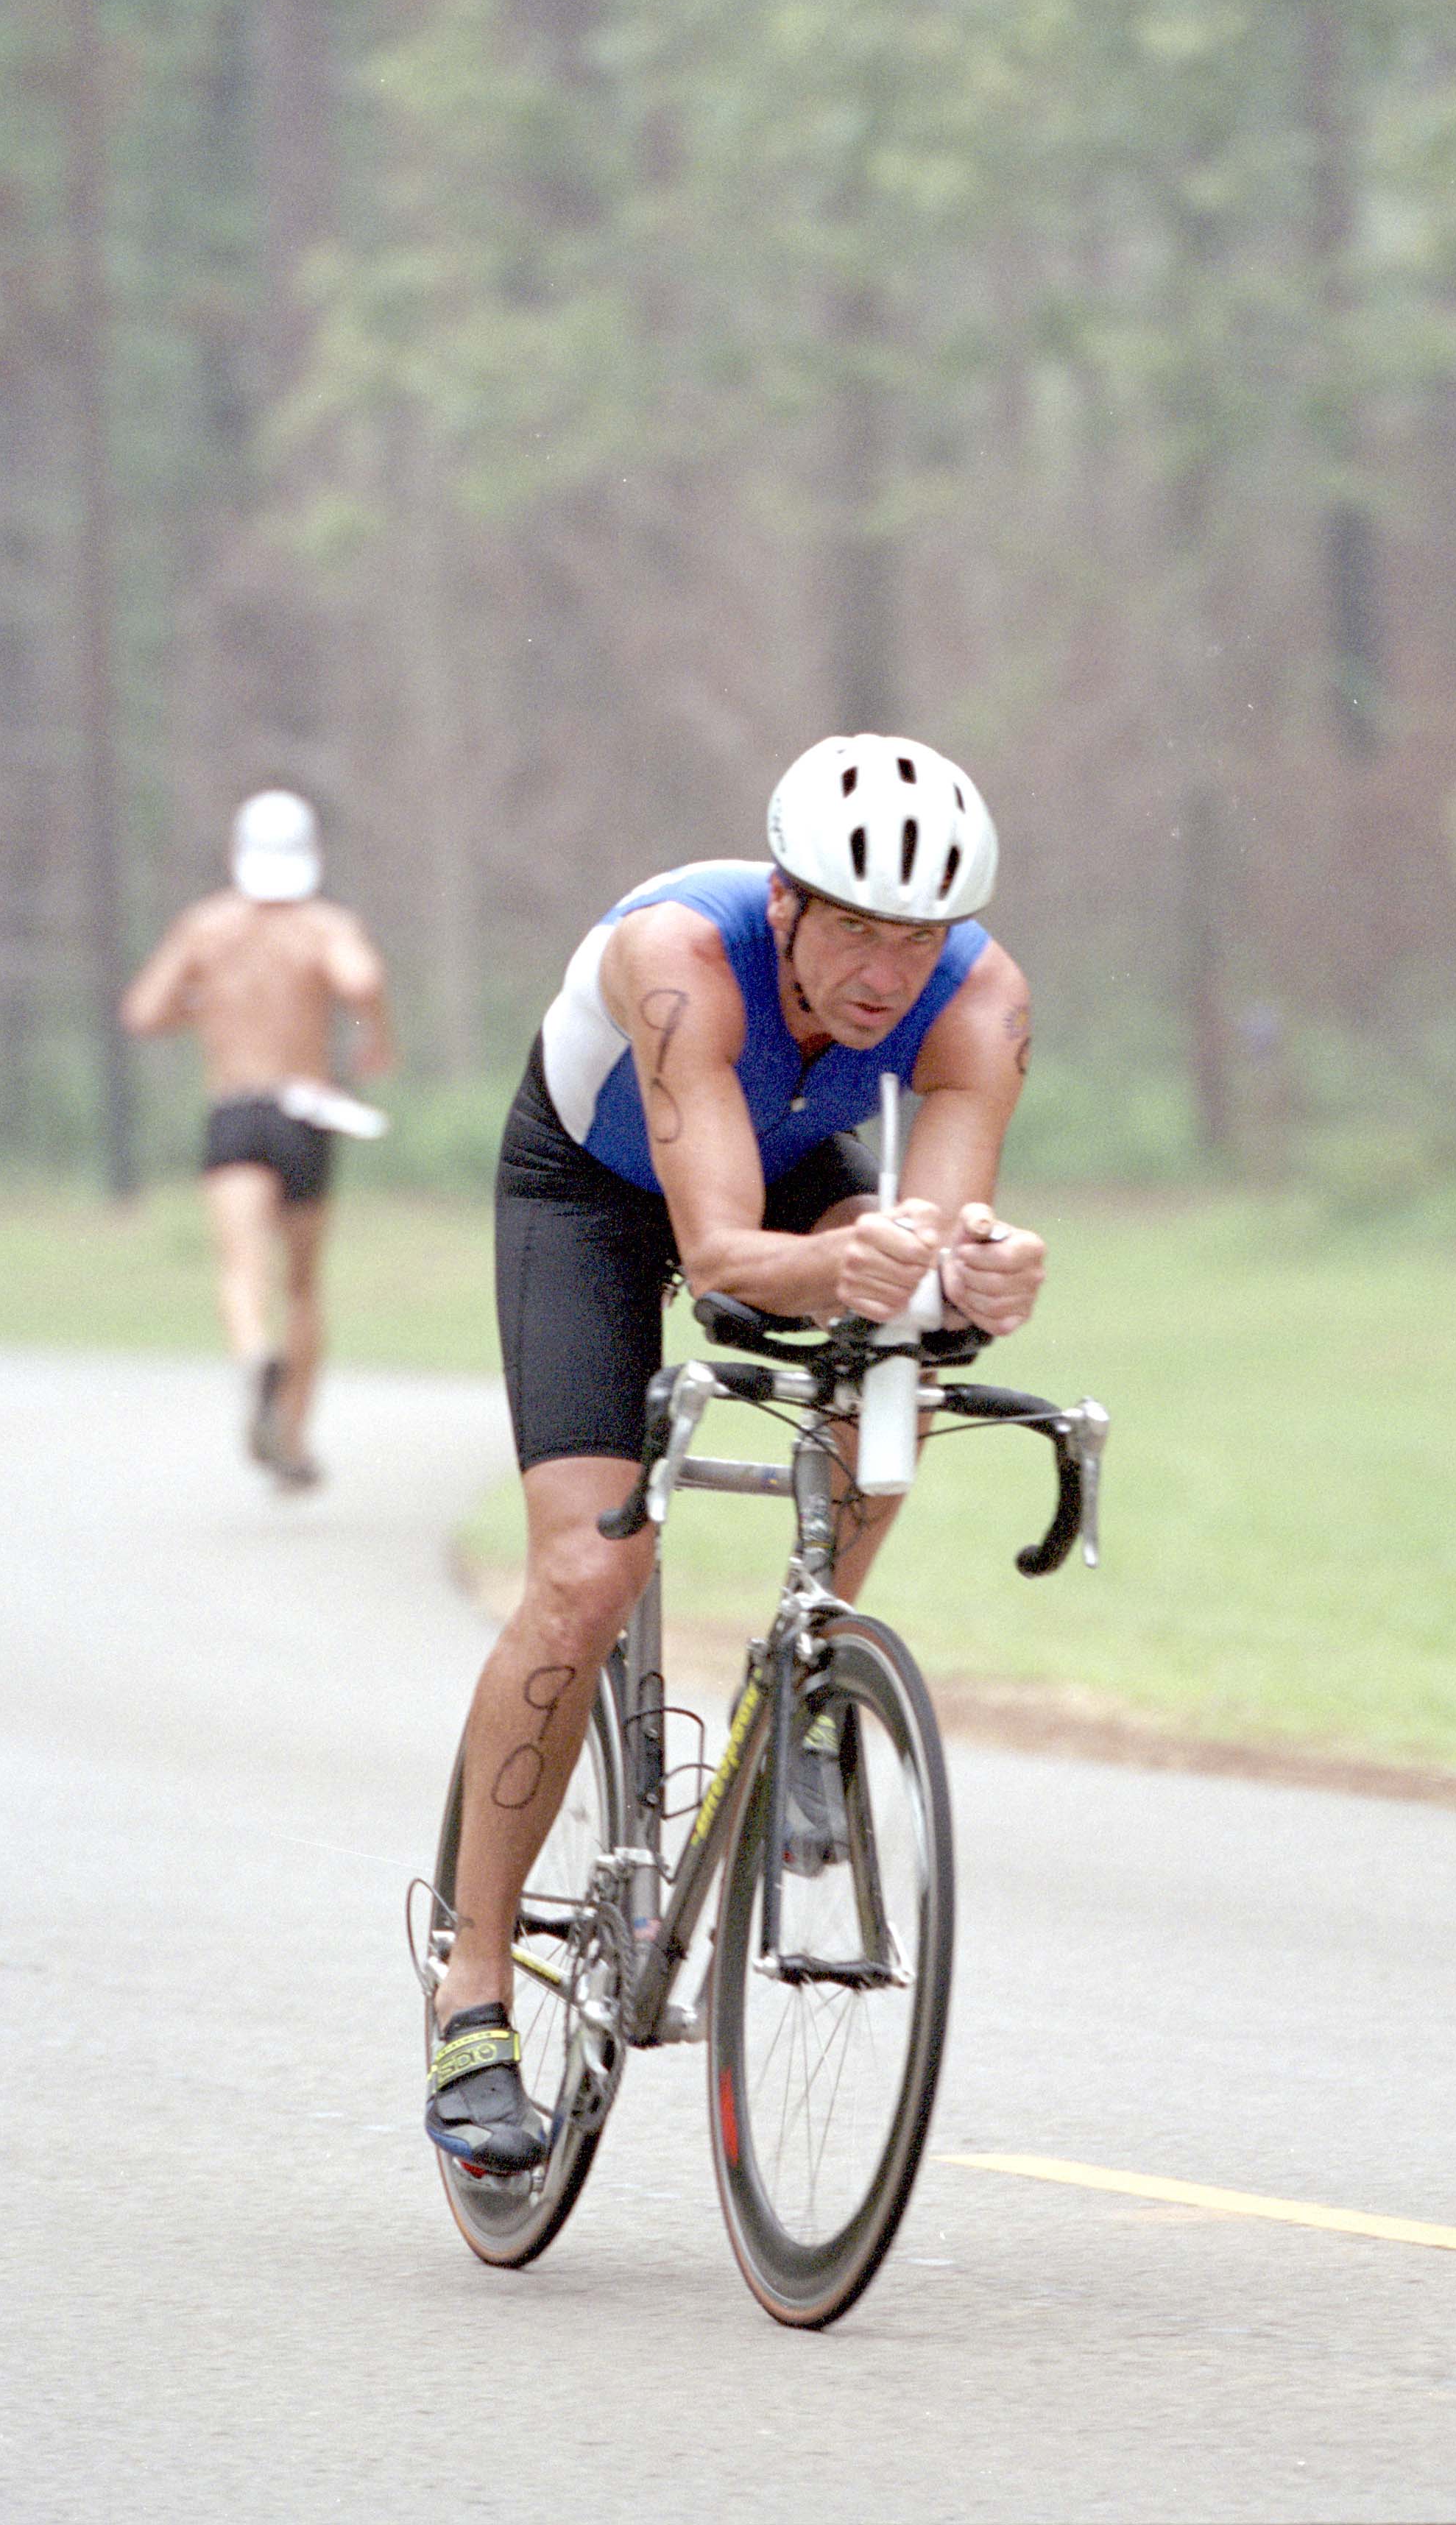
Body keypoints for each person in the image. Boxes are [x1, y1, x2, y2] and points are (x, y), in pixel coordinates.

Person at [426, 733, 1046, 2172]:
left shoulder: (981, 1005)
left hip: (786, 1169)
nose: (889, 968)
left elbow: (929, 1246)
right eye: (857, 925)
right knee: (587, 1576)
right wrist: (862, 1268)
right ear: (785, 902)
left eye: (921, 933)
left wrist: (979, 1275)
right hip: (593, 1187)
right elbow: (715, 1255)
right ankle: (471, 1992)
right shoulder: (677, 957)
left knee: (898, 1370)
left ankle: (802, 1700)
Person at [119, 790, 396, 1490]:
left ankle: (253, 1355)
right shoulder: (324, 925)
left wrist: (209, 1004)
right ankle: (295, 1440)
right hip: (304, 1111)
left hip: (236, 1110)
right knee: (303, 1285)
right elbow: (361, 978)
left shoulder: (206, 926)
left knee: (241, 1269)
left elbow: (144, 1011)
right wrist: (373, 1036)